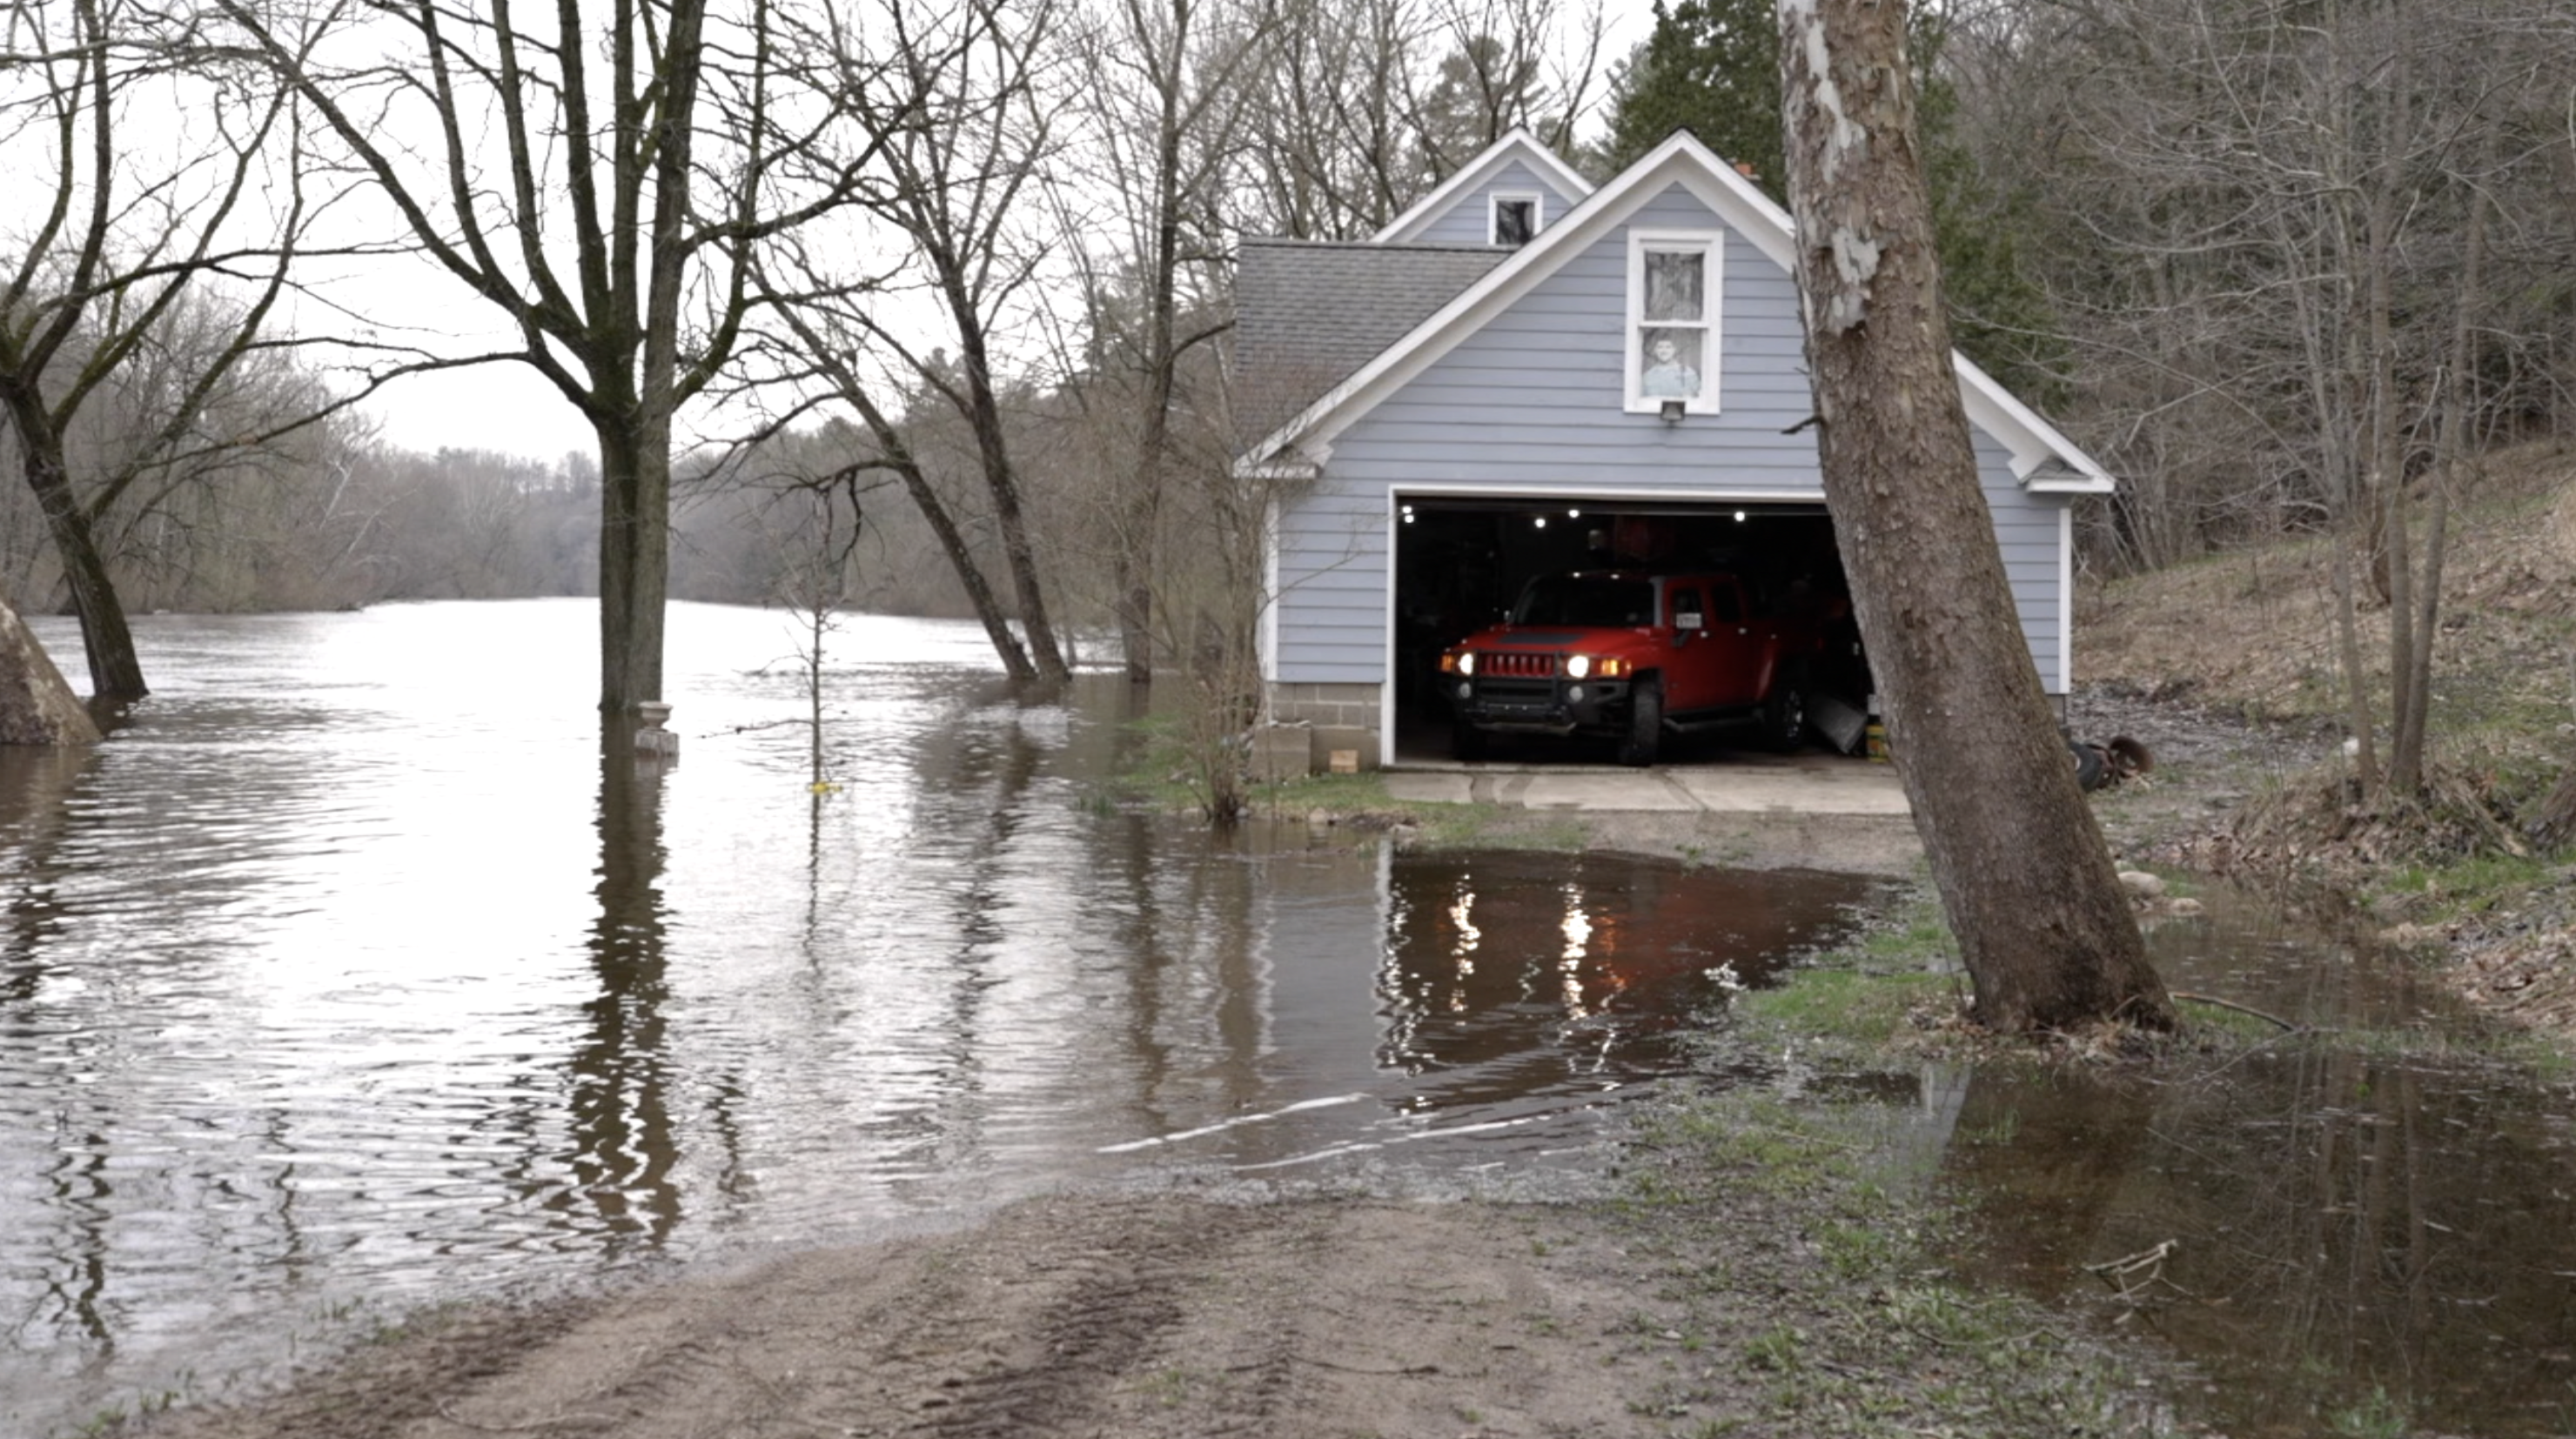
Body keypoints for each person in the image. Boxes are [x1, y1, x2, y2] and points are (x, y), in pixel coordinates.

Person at [1641, 333, 1698, 398]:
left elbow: (1696, 400)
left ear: (1674, 350)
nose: (1664, 351)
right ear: (1655, 350)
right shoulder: (1647, 376)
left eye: (1668, 347)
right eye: (1660, 347)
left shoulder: (1688, 373)